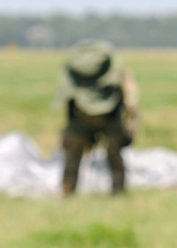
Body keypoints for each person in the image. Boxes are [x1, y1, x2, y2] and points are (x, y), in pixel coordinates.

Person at [56, 39, 140, 195]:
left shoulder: (74, 72)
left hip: (80, 117)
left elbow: (65, 96)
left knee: (72, 157)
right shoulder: (117, 70)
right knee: (115, 156)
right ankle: (118, 193)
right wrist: (132, 126)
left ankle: (67, 191)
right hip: (110, 118)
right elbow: (132, 101)